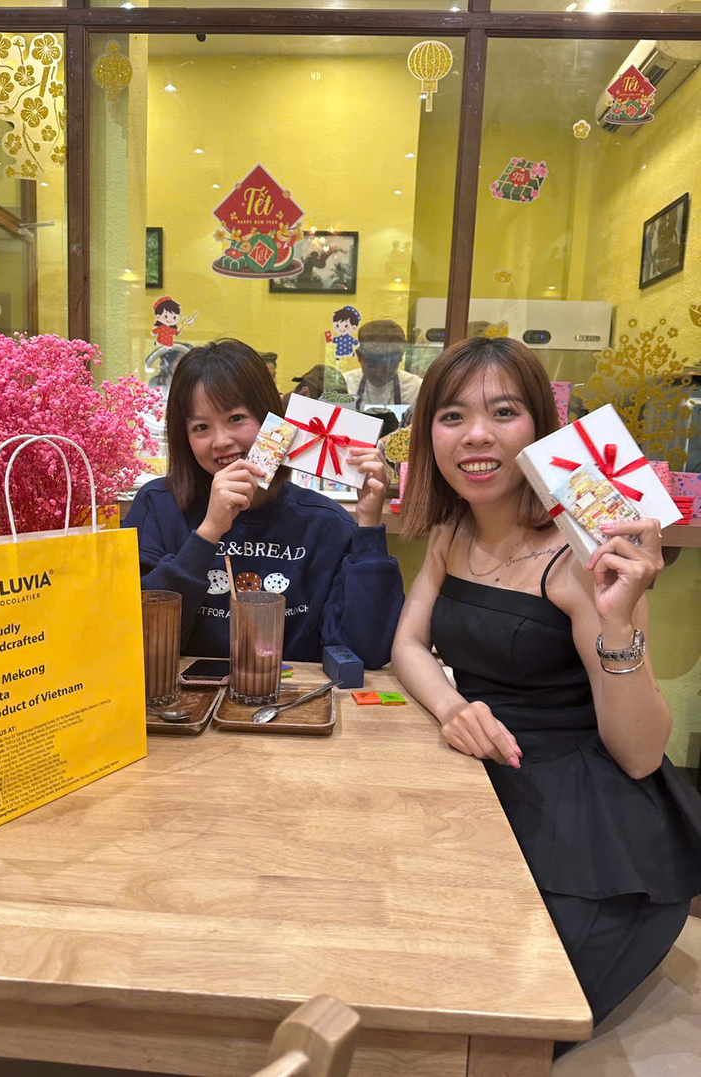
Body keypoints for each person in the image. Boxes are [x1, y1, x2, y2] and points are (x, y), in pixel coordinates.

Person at [391, 335, 701, 1051]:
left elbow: (640, 753)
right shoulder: (450, 531)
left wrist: (619, 620)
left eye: (503, 411)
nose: (476, 435)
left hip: (593, 819)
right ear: (427, 433)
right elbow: (407, 646)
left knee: (495, 1024)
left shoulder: (582, 555)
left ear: (541, 427)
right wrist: (452, 706)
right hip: (487, 780)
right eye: (451, 415)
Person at [124, 339, 404, 665]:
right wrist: (209, 532)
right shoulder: (158, 507)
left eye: (236, 418)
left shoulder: (324, 523)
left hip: (293, 705)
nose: (221, 441)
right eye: (201, 427)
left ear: (272, 420)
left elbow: (364, 652)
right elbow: (135, 639)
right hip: (186, 708)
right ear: (183, 439)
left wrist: (368, 527)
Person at [343, 319, 422, 412]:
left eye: (389, 365)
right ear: (359, 356)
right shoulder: (346, 385)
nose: (379, 373)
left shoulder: (416, 389)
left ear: (401, 357)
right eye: (372, 364)